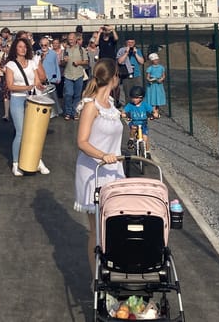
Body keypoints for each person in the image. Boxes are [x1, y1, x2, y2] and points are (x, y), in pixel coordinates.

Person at [74, 58, 124, 278]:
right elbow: (82, 141)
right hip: (94, 172)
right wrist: (104, 155)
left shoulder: (111, 106)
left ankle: (112, 271)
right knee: (97, 231)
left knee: (114, 226)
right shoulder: (90, 106)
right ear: (114, 78)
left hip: (114, 171)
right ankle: (97, 278)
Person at [5, 37, 50, 176]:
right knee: (20, 132)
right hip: (17, 99)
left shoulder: (31, 63)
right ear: (15, 49)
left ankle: (37, 160)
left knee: (36, 132)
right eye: (20, 47)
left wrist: (39, 86)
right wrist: (28, 86)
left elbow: (37, 80)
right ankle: (16, 163)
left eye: (25, 47)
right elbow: (10, 85)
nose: (23, 49)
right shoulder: (11, 65)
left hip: (32, 100)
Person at [60, 32, 89, 121]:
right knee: (68, 94)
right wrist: (64, 61)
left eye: (72, 39)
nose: (70, 41)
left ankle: (75, 112)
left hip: (78, 75)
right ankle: (68, 112)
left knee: (77, 95)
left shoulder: (81, 49)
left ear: (76, 39)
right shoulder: (65, 50)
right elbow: (61, 63)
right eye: (69, 39)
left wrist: (79, 62)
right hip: (68, 75)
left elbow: (86, 62)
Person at [121, 85, 152, 157]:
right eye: (133, 98)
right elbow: (124, 111)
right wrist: (123, 114)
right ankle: (131, 139)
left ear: (141, 98)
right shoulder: (130, 105)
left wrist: (155, 114)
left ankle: (147, 152)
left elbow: (152, 110)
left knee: (145, 138)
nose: (134, 99)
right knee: (133, 128)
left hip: (143, 125)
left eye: (136, 98)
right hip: (134, 123)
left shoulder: (145, 105)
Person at [116, 38, 144, 106]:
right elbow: (119, 61)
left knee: (139, 93)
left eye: (132, 42)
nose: (130, 44)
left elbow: (142, 62)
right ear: (126, 43)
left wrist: (135, 54)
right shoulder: (122, 50)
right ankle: (129, 109)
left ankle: (139, 109)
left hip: (136, 75)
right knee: (128, 94)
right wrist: (126, 53)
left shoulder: (137, 50)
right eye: (129, 42)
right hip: (126, 75)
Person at [145, 52, 167, 117]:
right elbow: (147, 77)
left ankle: (157, 111)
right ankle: (153, 112)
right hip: (152, 86)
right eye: (154, 60)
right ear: (152, 61)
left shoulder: (161, 67)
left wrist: (161, 79)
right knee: (152, 97)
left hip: (159, 85)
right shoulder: (150, 68)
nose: (156, 61)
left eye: (157, 60)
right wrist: (151, 80)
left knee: (158, 97)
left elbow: (163, 75)